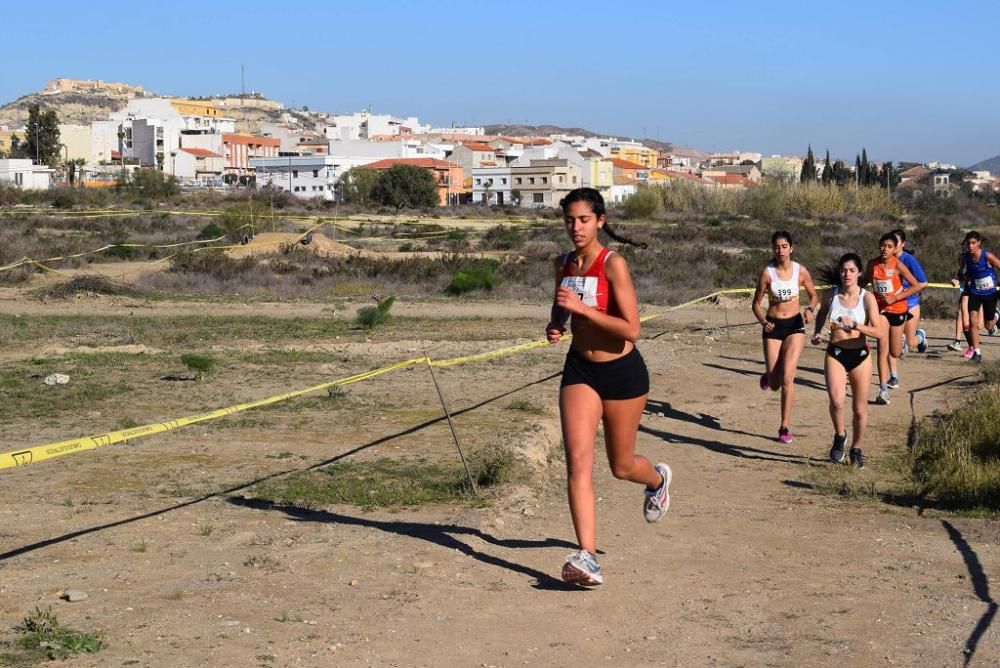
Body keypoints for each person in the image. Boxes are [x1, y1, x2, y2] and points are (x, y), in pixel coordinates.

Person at [545, 187, 670, 586]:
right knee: (578, 460)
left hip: (622, 373)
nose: (575, 227)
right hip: (580, 370)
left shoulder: (613, 264)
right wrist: (557, 324)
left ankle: (656, 480)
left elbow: (632, 329)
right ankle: (587, 556)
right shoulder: (563, 263)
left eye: (583, 220)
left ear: (600, 221)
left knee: (621, 466)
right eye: (569, 219)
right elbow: (561, 303)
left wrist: (584, 310)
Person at [811, 253, 887, 469]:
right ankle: (840, 435)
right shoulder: (831, 295)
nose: (847, 274)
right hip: (835, 352)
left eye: (852, 270)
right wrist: (817, 332)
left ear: (859, 273)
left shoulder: (867, 297)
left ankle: (856, 448)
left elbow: (879, 332)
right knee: (836, 401)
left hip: (860, 356)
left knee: (860, 409)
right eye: (844, 270)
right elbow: (822, 313)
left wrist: (856, 326)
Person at [751, 230, 819, 444]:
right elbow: (755, 304)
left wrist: (810, 310)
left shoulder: (800, 271)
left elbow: (814, 295)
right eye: (776, 247)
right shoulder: (767, 273)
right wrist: (763, 321)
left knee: (788, 378)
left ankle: (784, 426)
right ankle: (769, 375)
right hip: (773, 327)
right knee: (774, 384)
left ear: (791, 248)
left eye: (784, 246)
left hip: (794, 326)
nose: (780, 251)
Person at [865, 233, 923, 404]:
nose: (885, 249)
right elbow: (863, 281)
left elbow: (916, 286)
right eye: (883, 245)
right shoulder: (872, 264)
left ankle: (917, 337)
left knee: (895, 352)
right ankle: (883, 390)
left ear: (894, 249)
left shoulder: (898, 265)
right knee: (882, 349)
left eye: (889, 246)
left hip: (898, 310)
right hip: (881, 311)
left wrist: (896, 298)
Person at [957, 231, 1000, 362]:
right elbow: (965, 271)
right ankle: (977, 352)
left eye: (973, 243)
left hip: (989, 293)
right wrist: (964, 278)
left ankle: (996, 316)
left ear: (978, 243)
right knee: (973, 322)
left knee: (988, 325)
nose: (970, 246)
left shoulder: (987, 256)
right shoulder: (964, 258)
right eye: (968, 243)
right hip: (974, 292)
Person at [890, 229, 929, 354]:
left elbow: (923, 283)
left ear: (903, 244)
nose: (894, 245)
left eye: (897, 242)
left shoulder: (909, 260)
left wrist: (907, 291)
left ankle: (920, 336)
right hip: (892, 303)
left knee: (911, 343)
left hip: (910, 303)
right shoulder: (886, 260)